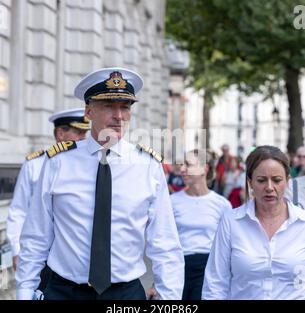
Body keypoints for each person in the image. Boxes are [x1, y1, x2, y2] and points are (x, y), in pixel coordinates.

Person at [16, 67, 184, 300]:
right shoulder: (58, 162)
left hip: (125, 294)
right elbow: (37, 235)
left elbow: (165, 243)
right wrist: (25, 291)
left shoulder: (148, 166)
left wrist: (169, 299)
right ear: (88, 111)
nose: (119, 116)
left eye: (125, 107)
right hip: (65, 291)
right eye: (109, 106)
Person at [202, 145, 305, 300]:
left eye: (277, 180)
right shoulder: (231, 221)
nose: (269, 188)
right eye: (261, 180)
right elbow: (215, 283)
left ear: (287, 181)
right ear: (250, 183)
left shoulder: (302, 223)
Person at [6, 108, 90, 272]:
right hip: (40, 253)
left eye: (84, 133)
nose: (83, 138)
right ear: (60, 134)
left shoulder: (89, 165)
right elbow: (19, 210)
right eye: (78, 132)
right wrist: (17, 250)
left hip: (75, 256)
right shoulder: (35, 164)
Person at [172, 149, 231, 300]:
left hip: (208, 268)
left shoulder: (222, 204)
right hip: (178, 267)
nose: (182, 169)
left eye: (188, 164)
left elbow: (228, 245)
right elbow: (165, 241)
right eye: (182, 164)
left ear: (204, 168)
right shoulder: (172, 201)